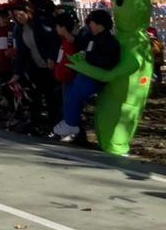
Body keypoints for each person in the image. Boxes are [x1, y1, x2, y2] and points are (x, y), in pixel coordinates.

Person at [52, 10, 121, 142]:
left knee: (75, 95)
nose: (90, 25)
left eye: (92, 22)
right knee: (69, 92)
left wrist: (89, 57)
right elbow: (80, 44)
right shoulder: (92, 38)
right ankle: (69, 122)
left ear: (100, 24)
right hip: (84, 73)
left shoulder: (109, 41)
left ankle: (71, 124)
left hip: (95, 77)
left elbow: (108, 60)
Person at [9, 0, 61, 133]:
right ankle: (35, 123)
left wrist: (51, 58)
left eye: (21, 14)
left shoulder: (40, 23)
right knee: (34, 96)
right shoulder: (19, 30)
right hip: (35, 66)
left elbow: (53, 41)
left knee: (51, 97)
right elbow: (21, 52)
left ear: (28, 12)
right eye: (16, 16)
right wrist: (17, 73)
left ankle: (55, 125)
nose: (19, 18)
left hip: (49, 66)